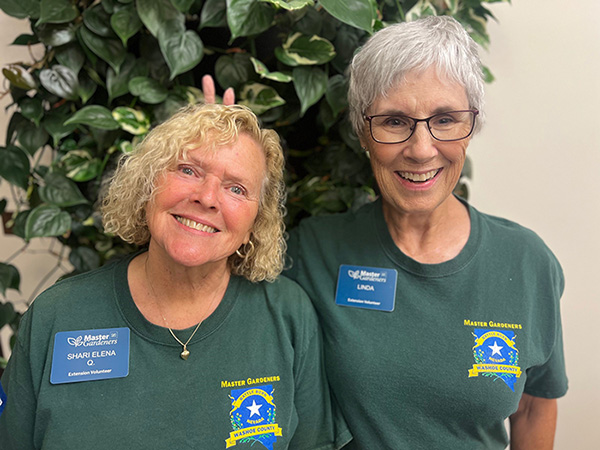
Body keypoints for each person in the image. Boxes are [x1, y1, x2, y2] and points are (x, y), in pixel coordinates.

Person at [284, 16, 567, 449]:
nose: (420, 150)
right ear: (363, 132)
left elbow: (534, 405)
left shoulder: (527, 262)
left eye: (446, 119)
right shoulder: (315, 251)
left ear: (471, 127)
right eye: (395, 121)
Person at [0, 104, 351, 449]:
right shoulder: (59, 315)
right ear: (148, 186)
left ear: (254, 226)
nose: (207, 198)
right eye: (188, 170)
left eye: (236, 188)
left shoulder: (288, 315)